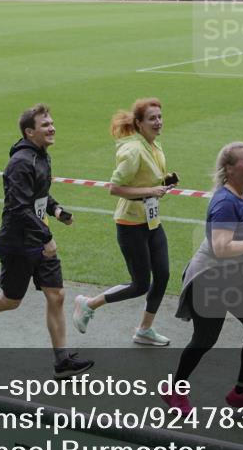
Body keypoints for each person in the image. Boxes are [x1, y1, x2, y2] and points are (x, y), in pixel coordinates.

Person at [0, 104, 92, 378]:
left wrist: (56, 210)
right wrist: (47, 237)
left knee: (56, 295)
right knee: (11, 300)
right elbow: (19, 208)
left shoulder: (41, 156)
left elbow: (38, 196)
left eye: (52, 123)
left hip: (37, 237)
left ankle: (62, 361)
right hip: (18, 243)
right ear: (29, 132)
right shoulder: (20, 163)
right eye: (45, 125)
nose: (52, 128)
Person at [163, 142, 243, 416]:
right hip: (210, 280)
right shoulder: (226, 202)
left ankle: (241, 391)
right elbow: (220, 247)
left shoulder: (241, 193)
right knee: (205, 338)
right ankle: (174, 389)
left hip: (234, 280)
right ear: (229, 169)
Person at [72, 98, 176, 347]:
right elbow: (115, 188)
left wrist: (164, 181)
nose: (158, 122)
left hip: (151, 222)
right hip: (130, 225)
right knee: (141, 284)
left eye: (160, 117)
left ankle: (144, 329)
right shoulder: (132, 151)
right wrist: (151, 190)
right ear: (139, 123)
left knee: (162, 276)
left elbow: (146, 182)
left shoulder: (154, 146)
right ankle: (88, 303)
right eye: (152, 118)